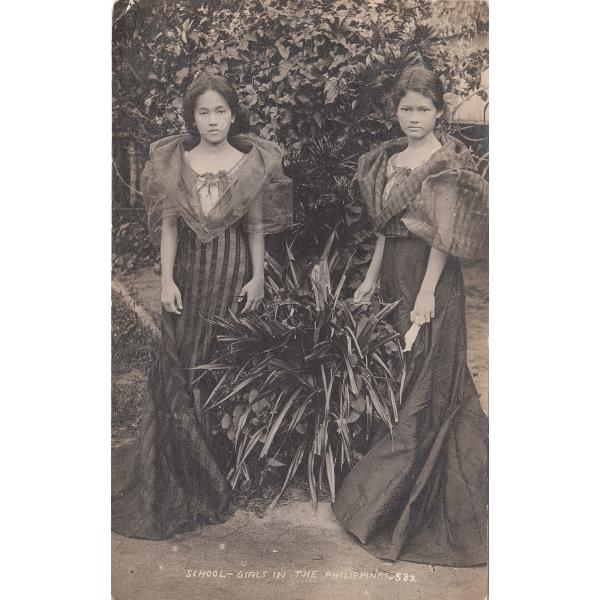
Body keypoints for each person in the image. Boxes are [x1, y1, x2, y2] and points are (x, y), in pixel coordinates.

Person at [112, 73, 293, 540]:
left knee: (219, 365)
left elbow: (255, 227)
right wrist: (167, 279)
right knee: (184, 362)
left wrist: (257, 277)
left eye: (220, 111)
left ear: (234, 115)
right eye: (203, 112)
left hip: (231, 275)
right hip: (189, 276)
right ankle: (182, 470)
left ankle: (219, 469)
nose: (213, 120)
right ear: (192, 118)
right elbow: (169, 227)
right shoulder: (178, 161)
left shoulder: (249, 162)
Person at [330, 66, 489, 567]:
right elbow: (384, 228)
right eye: (406, 108)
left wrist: (426, 295)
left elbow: (443, 236)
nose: (414, 117)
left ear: (439, 112)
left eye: (423, 108)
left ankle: (405, 502)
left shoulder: (447, 163)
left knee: (428, 375)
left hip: (430, 278)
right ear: (394, 111)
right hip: (395, 275)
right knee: (399, 374)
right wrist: (370, 279)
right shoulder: (391, 161)